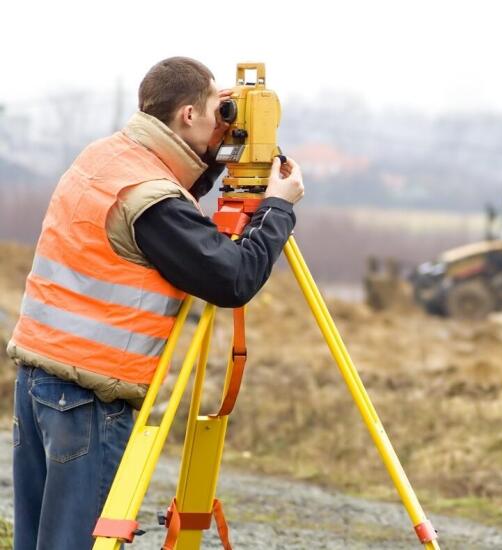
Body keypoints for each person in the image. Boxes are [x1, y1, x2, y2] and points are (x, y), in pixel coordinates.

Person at [6, 56, 304, 550]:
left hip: (40, 381)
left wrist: (216, 158)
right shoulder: (153, 200)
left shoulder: (106, 157)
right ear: (188, 115)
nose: (224, 118)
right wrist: (278, 208)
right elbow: (234, 279)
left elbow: (170, 206)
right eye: (218, 108)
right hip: (89, 397)